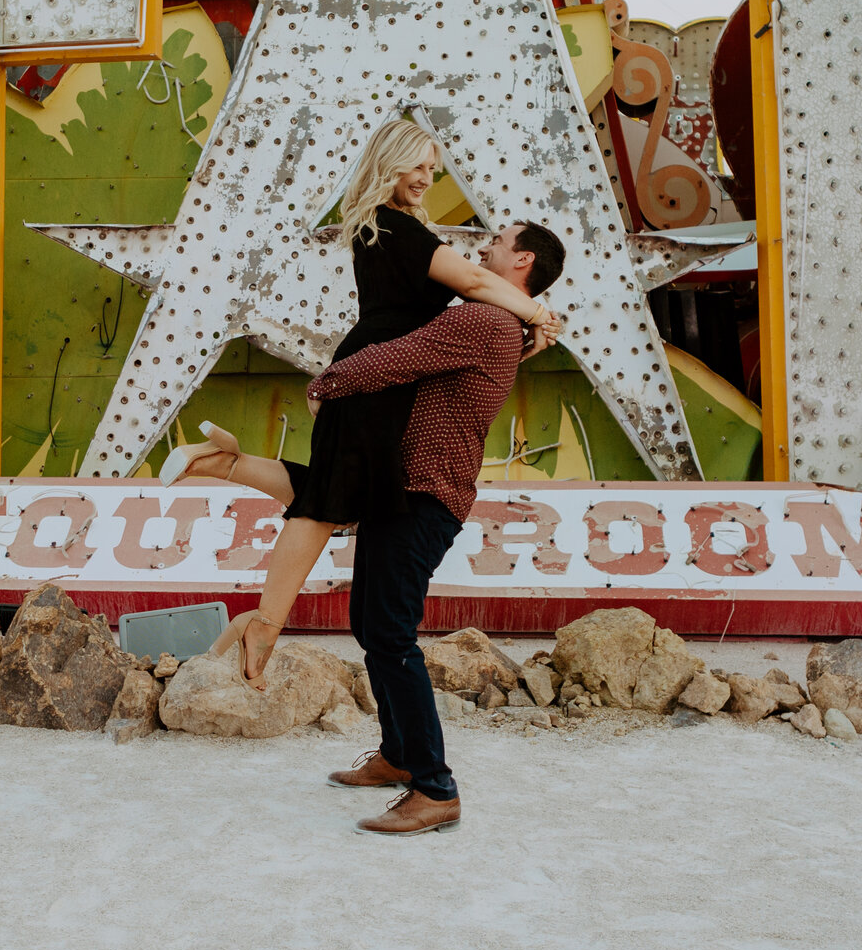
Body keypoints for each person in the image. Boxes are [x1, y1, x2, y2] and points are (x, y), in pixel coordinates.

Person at [157, 121, 562, 679]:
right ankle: (264, 626)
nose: (426, 178)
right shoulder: (401, 230)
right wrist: (537, 312)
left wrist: (526, 329)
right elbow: (472, 284)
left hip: (382, 371)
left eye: (432, 170)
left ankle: (223, 464)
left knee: (339, 493)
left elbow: (469, 340)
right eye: (417, 165)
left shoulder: (384, 226)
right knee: (325, 506)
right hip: (374, 371)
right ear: (390, 161)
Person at [314, 219, 565, 836]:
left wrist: (328, 381)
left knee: (391, 635)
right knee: (370, 624)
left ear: (522, 260)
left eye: (498, 242)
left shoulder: (483, 321)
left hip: (427, 495)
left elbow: (396, 358)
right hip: (404, 491)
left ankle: (435, 787)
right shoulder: (498, 319)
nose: (483, 246)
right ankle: (398, 754)